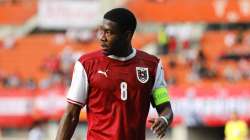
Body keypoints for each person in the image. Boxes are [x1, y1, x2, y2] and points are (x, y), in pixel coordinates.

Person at [56, 8, 173, 140]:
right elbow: (71, 115)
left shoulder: (152, 66)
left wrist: (164, 119)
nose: (101, 37)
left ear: (127, 35)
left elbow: (165, 107)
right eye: (101, 31)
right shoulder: (86, 64)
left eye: (108, 32)